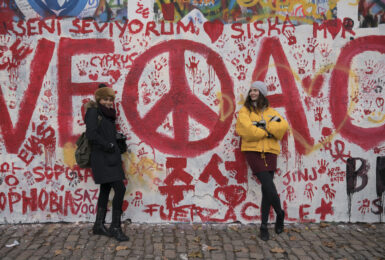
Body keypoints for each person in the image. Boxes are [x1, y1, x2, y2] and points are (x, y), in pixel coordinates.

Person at [235, 81, 288, 241]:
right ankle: (280, 213)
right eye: (251, 90)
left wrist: (263, 128)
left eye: (256, 90)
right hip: (253, 152)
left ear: (262, 93)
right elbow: (245, 130)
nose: (252, 93)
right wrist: (267, 131)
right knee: (267, 184)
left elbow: (282, 126)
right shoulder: (245, 112)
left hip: (270, 152)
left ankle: (263, 225)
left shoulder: (273, 112)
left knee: (267, 190)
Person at [84, 83, 129, 242]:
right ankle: (115, 227)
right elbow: (91, 134)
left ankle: (98, 225)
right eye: (105, 99)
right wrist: (108, 144)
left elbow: (105, 133)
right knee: (120, 189)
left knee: (105, 189)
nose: (109, 102)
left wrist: (117, 140)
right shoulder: (93, 112)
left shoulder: (109, 114)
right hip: (102, 158)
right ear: (99, 99)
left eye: (111, 99)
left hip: (111, 157)